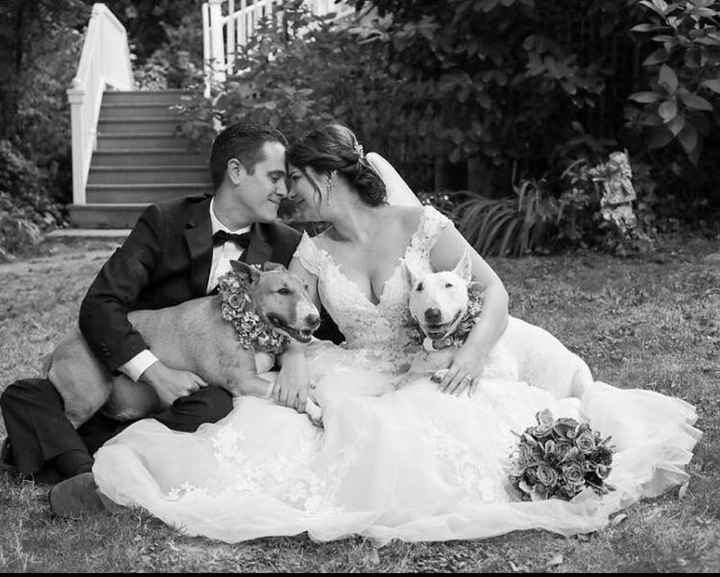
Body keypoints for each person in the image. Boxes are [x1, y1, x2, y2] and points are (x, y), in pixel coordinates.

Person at [84, 124, 700, 544]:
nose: (286, 192)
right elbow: (293, 311)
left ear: (323, 177)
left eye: (293, 179)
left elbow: (496, 294)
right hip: (360, 368)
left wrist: (472, 352)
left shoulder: (421, 223)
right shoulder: (314, 250)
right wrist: (297, 356)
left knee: (442, 432)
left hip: (437, 363)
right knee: (304, 426)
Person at [0, 121, 335, 515]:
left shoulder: (285, 243)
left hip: (197, 396)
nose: (284, 190)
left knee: (214, 405)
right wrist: (153, 370)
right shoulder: (164, 222)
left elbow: (314, 321)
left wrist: (294, 353)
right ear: (236, 172)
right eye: (275, 177)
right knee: (24, 393)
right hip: (126, 372)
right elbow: (101, 305)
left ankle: (65, 454)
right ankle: (88, 472)